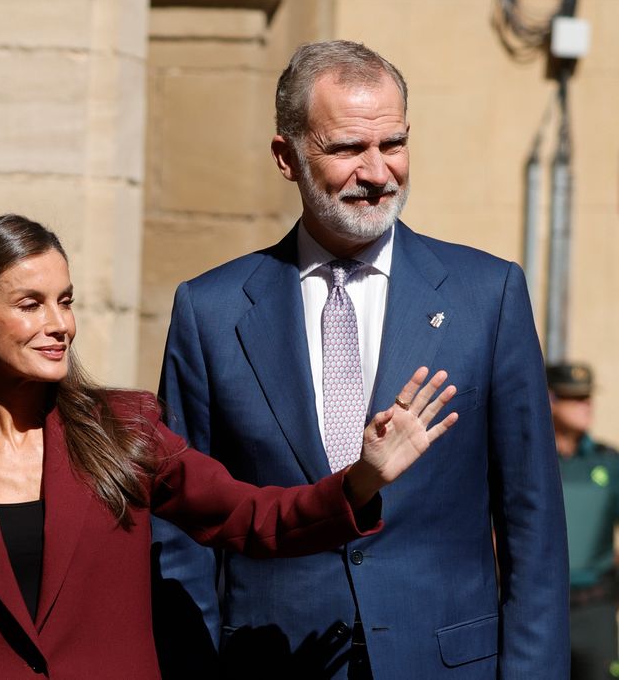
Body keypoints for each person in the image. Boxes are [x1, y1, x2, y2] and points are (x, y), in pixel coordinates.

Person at [152, 40, 568, 679]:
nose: (377, 172)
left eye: (393, 144)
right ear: (286, 157)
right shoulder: (211, 311)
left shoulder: (487, 296)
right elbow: (182, 534)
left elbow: (532, 523)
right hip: (271, 661)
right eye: (348, 148)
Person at [0, 213, 457, 679]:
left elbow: (250, 516)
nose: (59, 324)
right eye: (30, 304)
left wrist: (361, 480)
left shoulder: (123, 429)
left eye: (65, 301)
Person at [549, 362, 619, 679]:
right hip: (541, 607)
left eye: (587, 396)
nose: (586, 405)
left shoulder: (608, 462)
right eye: (575, 397)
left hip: (595, 609)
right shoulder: (529, 460)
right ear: (550, 399)